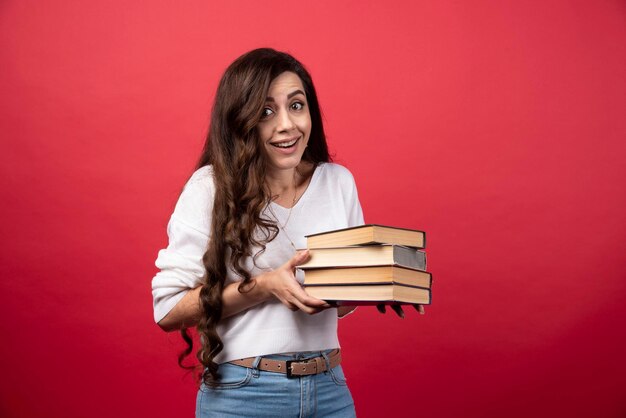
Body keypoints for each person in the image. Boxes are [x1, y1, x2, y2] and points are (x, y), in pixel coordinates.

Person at [151, 48, 364, 417]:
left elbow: (341, 299)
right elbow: (168, 309)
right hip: (243, 395)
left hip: (329, 388)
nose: (287, 124)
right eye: (267, 112)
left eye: (296, 106)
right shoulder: (210, 188)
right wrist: (264, 287)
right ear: (241, 120)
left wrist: (379, 285)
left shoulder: (338, 182)